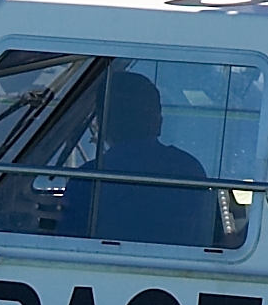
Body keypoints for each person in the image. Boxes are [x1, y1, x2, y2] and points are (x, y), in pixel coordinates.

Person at [62, 67, 218, 247]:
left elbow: (68, 244)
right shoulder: (190, 169)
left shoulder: (88, 178)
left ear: (103, 123)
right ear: (158, 122)